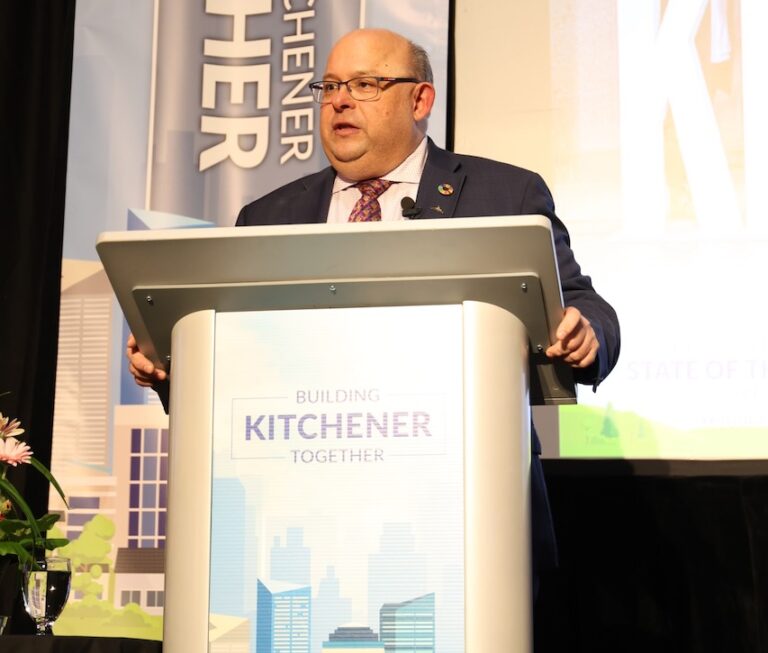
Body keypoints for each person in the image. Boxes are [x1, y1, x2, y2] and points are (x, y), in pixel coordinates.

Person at [127, 28, 620, 582]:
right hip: (304, 517)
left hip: (465, 508)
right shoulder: (268, 217)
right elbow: (242, 361)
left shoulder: (504, 195)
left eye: (365, 84)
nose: (339, 99)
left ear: (420, 100)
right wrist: (172, 366)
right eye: (331, 85)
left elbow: (582, 303)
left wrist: (587, 335)